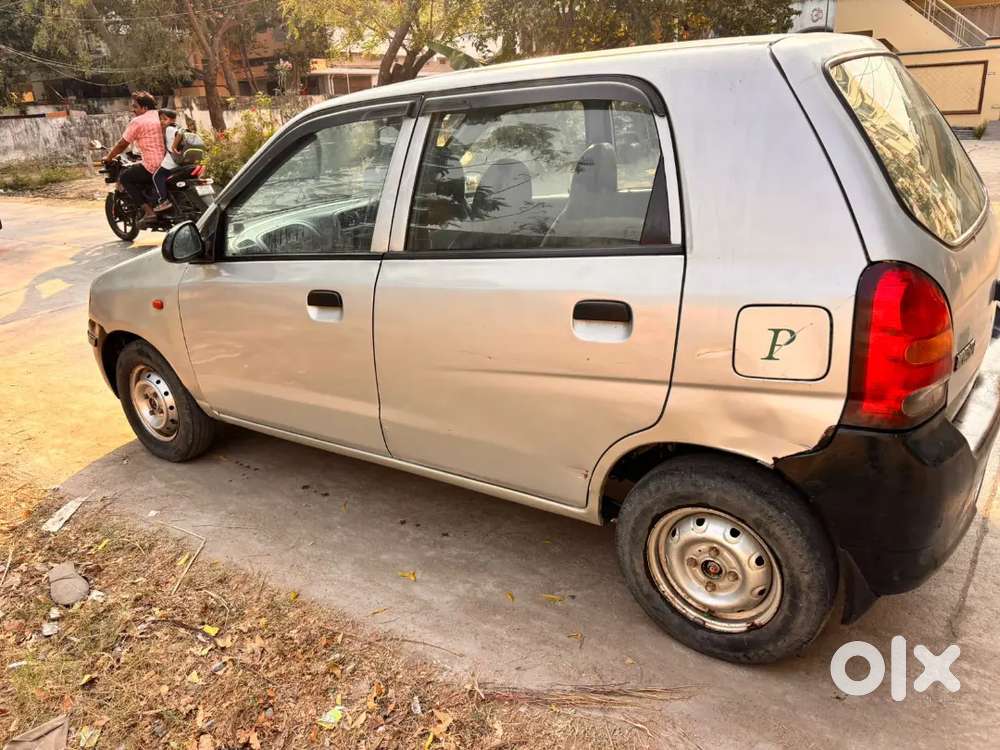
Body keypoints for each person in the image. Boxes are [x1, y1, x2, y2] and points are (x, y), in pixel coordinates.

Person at [102, 91, 165, 227]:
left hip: (154, 164)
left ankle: (149, 212)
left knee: (126, 177)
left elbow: (122, 144)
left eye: (135, 107)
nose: (133, 110)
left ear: (145, 108)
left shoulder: (138, 122)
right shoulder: (162, 116)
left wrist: (109, 158)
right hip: (169, 162)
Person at [152, 109, 183, 213]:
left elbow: (179, 134)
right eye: (160, 119)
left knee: (157, 176)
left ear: (172, 119)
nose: (161, 121)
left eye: (164, 119)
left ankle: (164, 200)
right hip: (179, 161)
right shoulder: (177, 126)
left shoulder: (170, 128)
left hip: (171, 162)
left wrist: (173, 147)